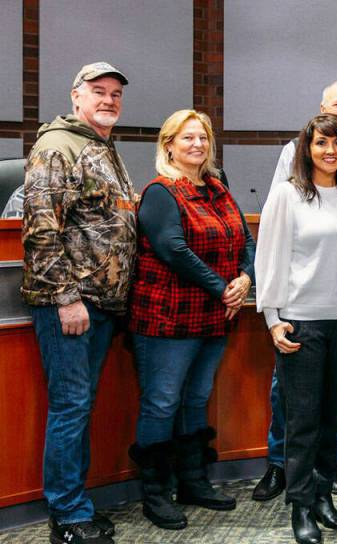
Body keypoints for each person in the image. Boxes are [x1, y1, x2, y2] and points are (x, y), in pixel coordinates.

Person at [21, 61, 133, 544]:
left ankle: (76, 504)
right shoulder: (57, 146)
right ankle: (67, 516)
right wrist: (66, 298)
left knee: (80, 407)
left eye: (115, 94)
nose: (108, 100)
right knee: (70, 407)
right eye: (98, 91)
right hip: (71, 304)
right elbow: (40, 229)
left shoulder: (102, 146)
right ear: (75, 95)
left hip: (101, 305)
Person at [127, 109, 253, 530]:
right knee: (162, 402)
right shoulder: (161, 191)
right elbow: (174, 249)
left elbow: (245, 239)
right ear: (169, 146)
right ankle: (155, 493)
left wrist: (245, 278)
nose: (197, 145)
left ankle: (193, 481)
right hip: (168, 318)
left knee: (197, 399)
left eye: (202, 138)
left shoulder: (217, 187)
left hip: (213, 317)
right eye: (187, 138)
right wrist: (223, 288)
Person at [255, 79, 337, 502]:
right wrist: (273, 319)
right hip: (300, 323)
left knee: (330, 418)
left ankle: (323, 498)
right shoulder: (287, 195)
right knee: (303, 420)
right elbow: (269, 257)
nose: (330, 151)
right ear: (306, 149)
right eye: (321, 143)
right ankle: (301, 505)